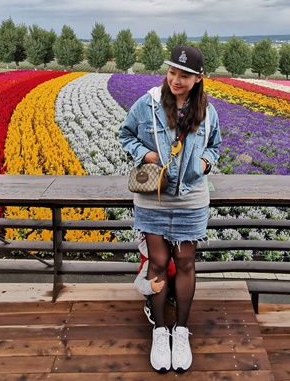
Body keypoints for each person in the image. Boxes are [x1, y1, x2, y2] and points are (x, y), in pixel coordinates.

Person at [118, 45, 222, 373]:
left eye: (185, 75)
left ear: (198, 78)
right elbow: (125, 135)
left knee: (186, 262)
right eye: (172, 72)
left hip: (192, 197)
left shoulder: (208, 112)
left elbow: (216, 146)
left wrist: (205, 162)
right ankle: (160, 331)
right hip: (154, 196)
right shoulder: (147, 104)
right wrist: (147, 156)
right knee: (159, 262)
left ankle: (182, 331)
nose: (176, 80)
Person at [134, 236, 177, 324]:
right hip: (152, 287)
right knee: (156, 285)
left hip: (169, 283)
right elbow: (138, 282)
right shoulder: (149, 263)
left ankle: (171, 295)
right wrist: (149, 287)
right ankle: (151, 306)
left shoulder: (172, 258)